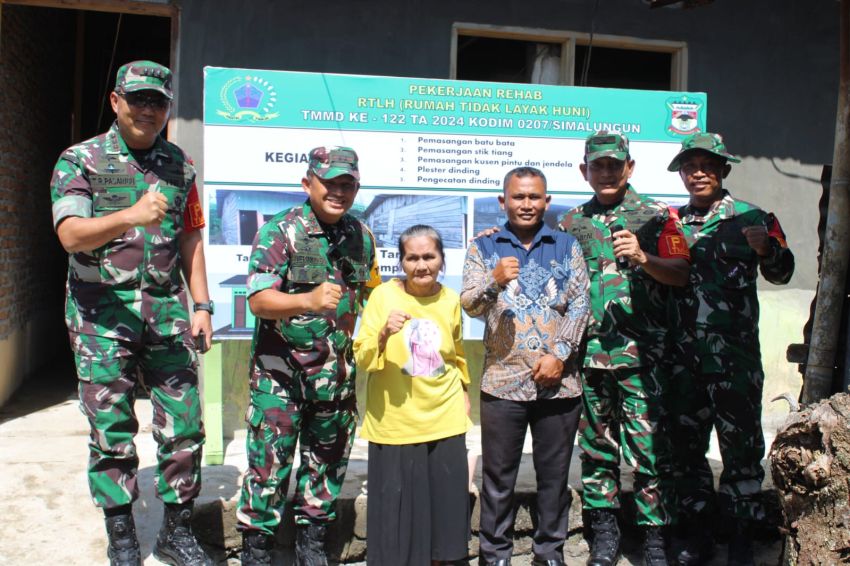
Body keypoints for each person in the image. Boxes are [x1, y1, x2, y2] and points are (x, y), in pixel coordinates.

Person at [50, 61, 213, 566]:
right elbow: (70, 235)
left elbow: (190, 236)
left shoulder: (179, 164)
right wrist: (130, 215)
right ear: (116, 101)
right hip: (102, 318)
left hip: (167, 313)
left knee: (184, 425)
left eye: (158, 102)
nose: (148, 109)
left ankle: (176, 532)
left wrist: (203, 305)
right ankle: (122, 535)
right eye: (138, 99)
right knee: (111, 428)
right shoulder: (81, 160)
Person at [236, 146, 381, 566]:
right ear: (307, 184)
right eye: (329, 183)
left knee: (327, 469)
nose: (338, 191)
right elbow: (259, 301)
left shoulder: (361, 237)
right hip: (280, 381)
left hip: (334, 380)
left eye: (347, 184)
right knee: (268, 471)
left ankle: (313, 548)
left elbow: (371, 294)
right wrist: (309, 301)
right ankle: (257, 552)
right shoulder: (280, 232)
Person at [557, 131, 691, 566]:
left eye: (616, 164)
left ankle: (654, 538)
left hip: (643, 356)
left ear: (629, 167)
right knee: (597, 448)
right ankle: (604, 535)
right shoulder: (572, 222)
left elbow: (682, 273)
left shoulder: (658, 216)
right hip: (590, 357)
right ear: (585, 171)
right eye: (598, 165)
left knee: (650, 447)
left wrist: (644, 258)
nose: (607, 172)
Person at [665, 132, 794, 566]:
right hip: (683, 360)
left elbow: (783, 273)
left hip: (734, 360)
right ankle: (696, 534)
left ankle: (741, 535)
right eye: (690, 166)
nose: (698, 173)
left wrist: (768, 250)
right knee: (686, 449)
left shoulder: (753, 217)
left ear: (723, 170)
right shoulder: (670, 223)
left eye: (707, 165)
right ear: (682, 174)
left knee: (741, 449)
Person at [462, 167, 590, 566]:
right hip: (502, 383)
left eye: (534, 197)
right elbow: (469, 304)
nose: (527, 204)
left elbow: (582, 303)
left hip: (559, 383)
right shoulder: (483, 248)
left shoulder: (567, 246)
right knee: (499, 480)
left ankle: (549, 552)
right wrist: (494, 281)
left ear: (546, 201)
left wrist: (561, 354)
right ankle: (494, 555)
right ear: (504, 201)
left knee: (554, 480)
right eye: (518, 197)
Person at [354, 224, 473, 566]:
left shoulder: (450, 299)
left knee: (445, 517)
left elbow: (457, 354)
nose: (421, 265)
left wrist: (464, 391)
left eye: (429, 257)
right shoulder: (383, 297)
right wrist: (382, 334)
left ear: (441, 260)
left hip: (444, 417)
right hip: (395, 422)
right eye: (412, 258)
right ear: (401, 262)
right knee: (397, 520)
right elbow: (362, 357)